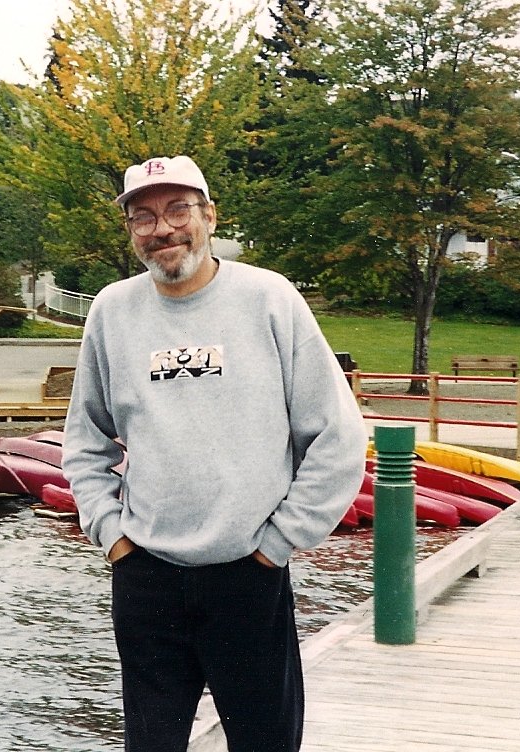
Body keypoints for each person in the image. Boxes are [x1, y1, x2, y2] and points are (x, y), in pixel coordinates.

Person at [61, 155, 368, 752]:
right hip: (145, 576)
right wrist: (112, 535)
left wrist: (278, 543)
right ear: (131, 231)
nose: (164, 228)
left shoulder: (268, 298)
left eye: (179, 209)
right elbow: (84, 440)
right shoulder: (111, 311)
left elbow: (337, 435)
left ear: (209, 215)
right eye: (144, 217)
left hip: (248, 575)